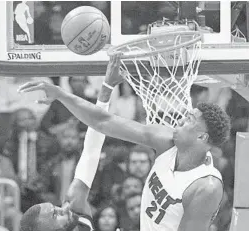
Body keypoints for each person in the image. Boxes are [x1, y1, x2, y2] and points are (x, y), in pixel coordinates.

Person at [18, 53, 231, 231]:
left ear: (202, 137)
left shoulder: (203, 184)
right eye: (56, 214)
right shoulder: (171, 143)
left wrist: (98, 90)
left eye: (190, 120)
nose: (62, 208)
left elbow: (97, 135)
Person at [18, 56, 121, 231]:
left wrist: (107, 88)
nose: (64, 207)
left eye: (56, 207)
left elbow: (91, 150)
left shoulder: (74, 208)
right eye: (55, 214)